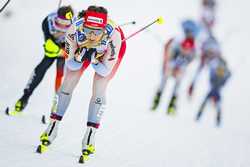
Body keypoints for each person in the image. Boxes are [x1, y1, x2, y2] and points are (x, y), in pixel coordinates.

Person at [36, 5, 127, 164]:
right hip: (80, 47)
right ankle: (52, 126)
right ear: (83, 24)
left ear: (103, 30)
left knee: (99, 88)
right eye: (88, 29)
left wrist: (93, 60)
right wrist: (79, 58)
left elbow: (105, 71)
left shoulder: (114, 36)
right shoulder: (74, 29)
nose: (92, 35)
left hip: (107, 54)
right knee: (67, 84)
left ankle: (90, 136)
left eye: (97, 32)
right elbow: (71, 65)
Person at [6, 6, 74, 116]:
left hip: (65, 50)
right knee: (40, 69)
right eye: (60, 21)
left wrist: (67, 51)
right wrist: (58, 50)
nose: (62, 25)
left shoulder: (75, 25)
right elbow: (48, 42)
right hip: (53, 49)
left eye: (66, 22)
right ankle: (24, 97)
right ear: (56, 18)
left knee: (61, 74)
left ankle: (57, 103)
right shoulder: (47, 21)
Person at [151, 19, 199, 114]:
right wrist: (171, 62)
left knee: (177, 86)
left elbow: (192, 58)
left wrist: (184, 64)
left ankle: (171, 106)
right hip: (171, 66)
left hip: (180, 69)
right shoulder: (178, 42)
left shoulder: (193, 47)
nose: (186, 50)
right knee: (163, 82)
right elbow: (169, 54)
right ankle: (156, 102)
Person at [195, 56, 231, 127]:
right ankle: (200, 116)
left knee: (212, 105)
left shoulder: (222, 71)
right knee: (210, 104)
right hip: (214, 90)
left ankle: (216, 120)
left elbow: (222, 80)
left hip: (215, 90)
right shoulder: (219, 70)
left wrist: (227, 76)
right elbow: (215, 79)